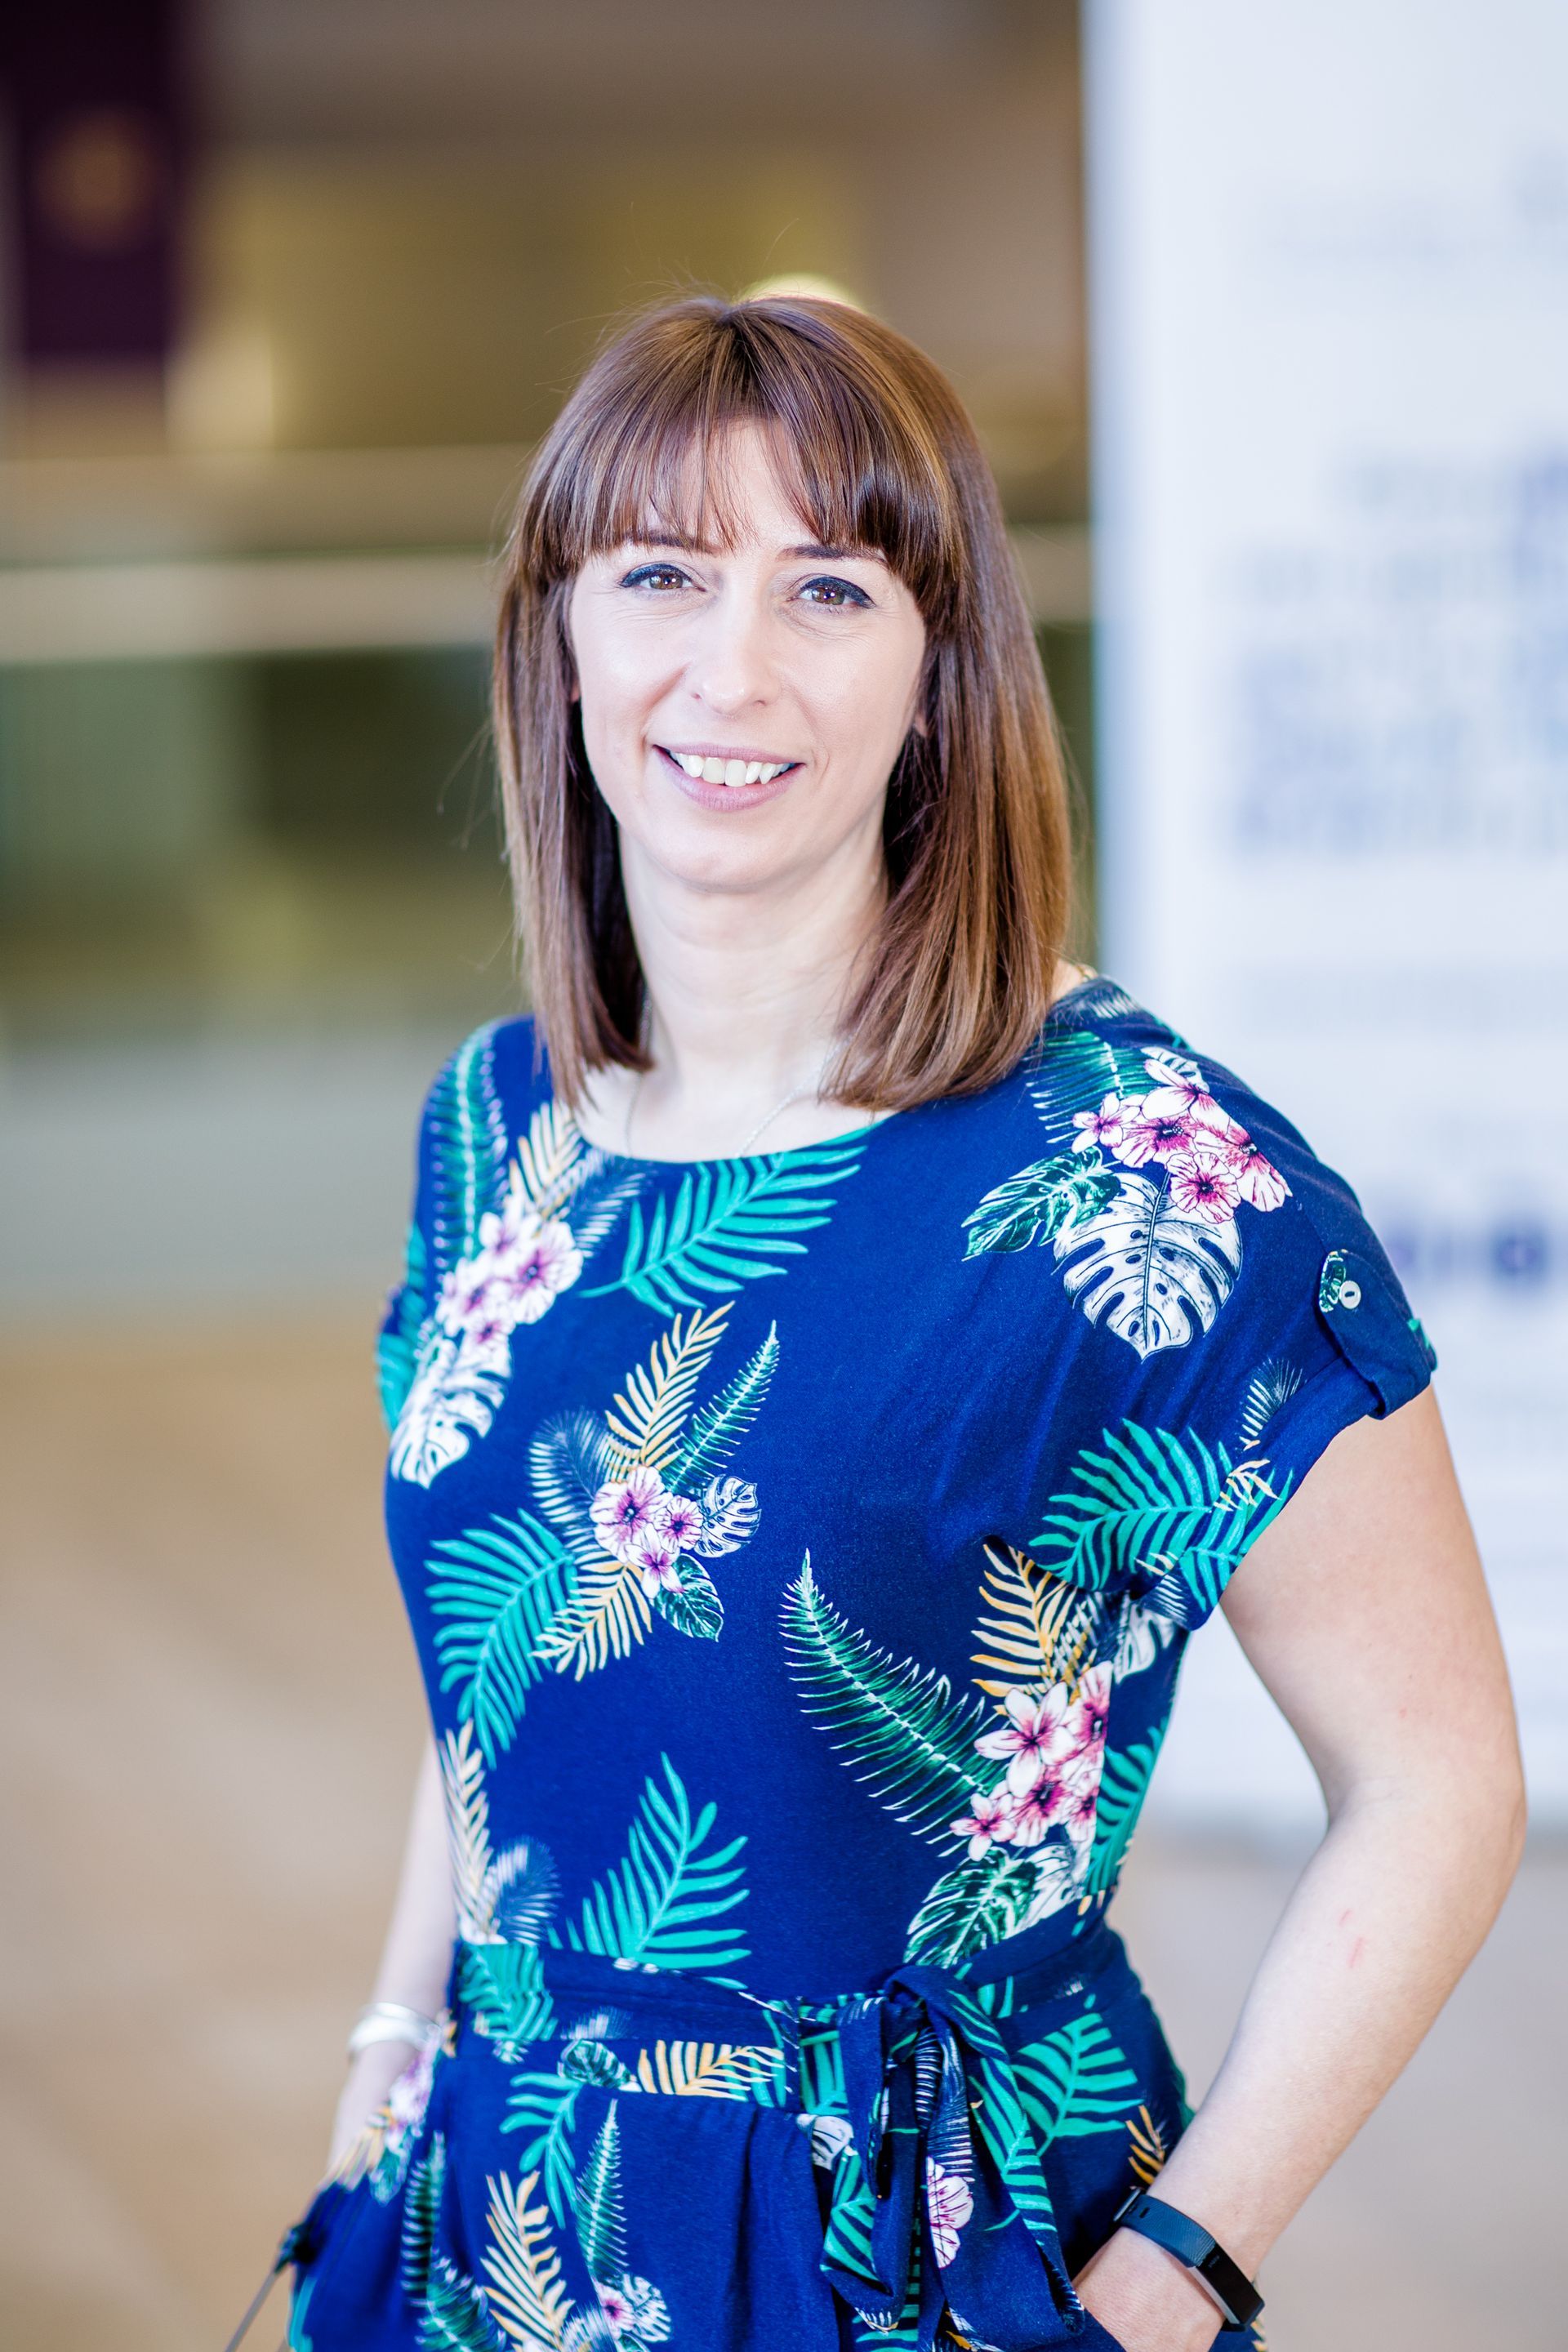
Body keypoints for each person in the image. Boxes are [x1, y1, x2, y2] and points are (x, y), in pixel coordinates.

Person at [285, 296, 1524, 2352]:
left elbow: (1445, 1778)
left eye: (831, 586)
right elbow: (513, 1669)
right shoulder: (497, 1126)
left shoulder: (1132, 1171)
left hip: (925, 2255)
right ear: (560, 636)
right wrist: (385, 2053)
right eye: (661, 572)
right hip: (495, 2223)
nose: (731, 666)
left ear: (941, 673)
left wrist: (1176, 2273)